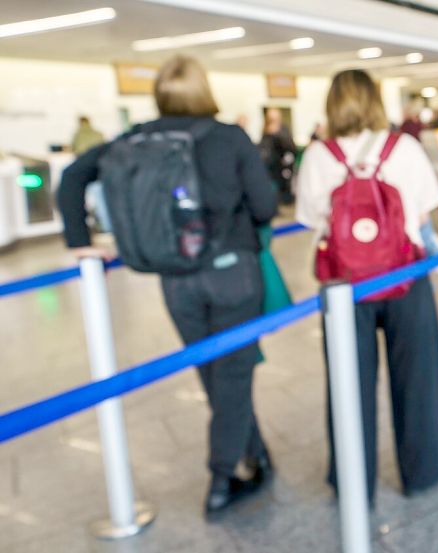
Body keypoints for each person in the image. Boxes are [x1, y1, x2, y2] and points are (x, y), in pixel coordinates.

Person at [57, 55, 278, 515]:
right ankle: (222, 479)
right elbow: (264, 206)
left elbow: (73, 176)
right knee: (233, 374)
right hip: (233, 272)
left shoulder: (137, 139)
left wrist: (80, 242)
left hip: (176, 279)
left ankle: (255, 454)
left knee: (213, 373)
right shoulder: (227, 137)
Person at [294, 69, 438, 501]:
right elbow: (421, 214)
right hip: (405, 276)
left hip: (344, 284)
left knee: (347, 383)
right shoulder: (404, 147)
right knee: (417, 378)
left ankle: (351, 478)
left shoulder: (316, 155)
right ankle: (423, 470)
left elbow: (311, 219)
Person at [258, 108, 297, 204]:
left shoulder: (283, 129)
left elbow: (290, 147)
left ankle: (285, 200)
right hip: (269, 164)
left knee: (283, 185)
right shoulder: (265, 129)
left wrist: (277, 134)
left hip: (281, 165)